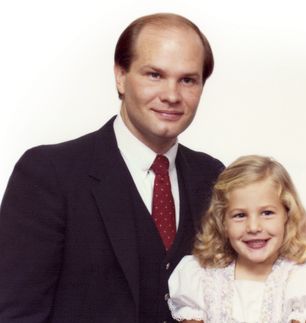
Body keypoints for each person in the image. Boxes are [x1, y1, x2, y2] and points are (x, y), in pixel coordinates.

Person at [0, 13, 224, 323]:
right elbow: (16, 314)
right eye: (154, 75)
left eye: (187, 80)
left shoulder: (213, 177)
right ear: (120, 75)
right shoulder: (49, 174)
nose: (172, 95)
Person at [167, 155, 306, 323]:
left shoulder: (302, 280)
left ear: (287, 214)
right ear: (222, 221)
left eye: (267, 213)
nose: (254, 227)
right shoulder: (201, 279)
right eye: (240, 215)